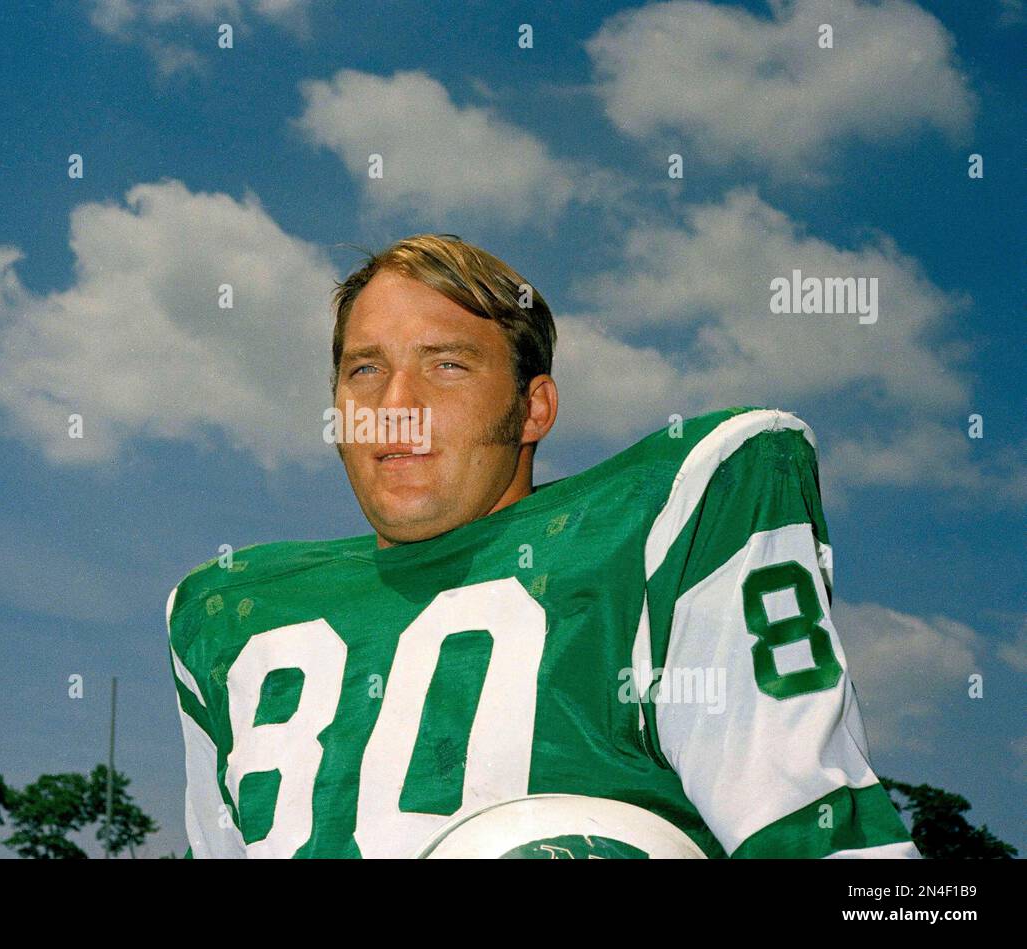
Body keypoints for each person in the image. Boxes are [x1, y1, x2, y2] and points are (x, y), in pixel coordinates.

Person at [165, 233, 919, 859]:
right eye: (366, 369)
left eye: (446, 364)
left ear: (534, 407)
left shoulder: (667, 523)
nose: (394, 407)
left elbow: (819, 843)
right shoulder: (227, 609)